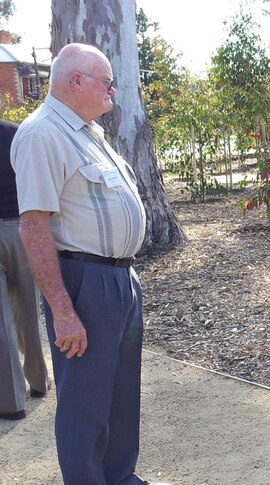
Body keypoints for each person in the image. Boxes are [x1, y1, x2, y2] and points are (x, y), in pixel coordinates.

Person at [11, 43, 163, 485]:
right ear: (76, 81)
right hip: (83, 281)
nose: (112, 90)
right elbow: (34, 228)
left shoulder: (86, 133)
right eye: (106, 81)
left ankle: (118, 477)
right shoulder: (42, 135)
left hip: (118, 278)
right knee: (85, 405)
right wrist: (61, 309)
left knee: (118, 396)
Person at [1, 119, 50, 421]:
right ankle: (39, 381)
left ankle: (11, 402)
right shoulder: (18, 132)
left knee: (1, 323)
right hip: (21, 228)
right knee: (28, 310)